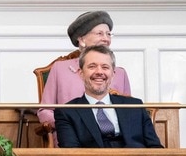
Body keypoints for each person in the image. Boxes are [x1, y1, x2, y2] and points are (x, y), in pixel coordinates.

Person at [37, 11, 131, 146]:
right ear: (81, 39)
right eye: (100, 33)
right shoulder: (59, 69)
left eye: (108, 34)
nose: (106, 38)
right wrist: (71, 125)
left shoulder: (120, 73)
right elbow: (44, 112)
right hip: (73, 141)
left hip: (116, 142)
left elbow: (130, 112)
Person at [54, 45, 162, 148]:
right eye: (92, 66)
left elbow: (155, 147)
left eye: (105, 67)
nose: (99, 72)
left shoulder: (135, 106)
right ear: (81, 73)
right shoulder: (67, 112)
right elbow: (71, 154)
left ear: (113, 74)